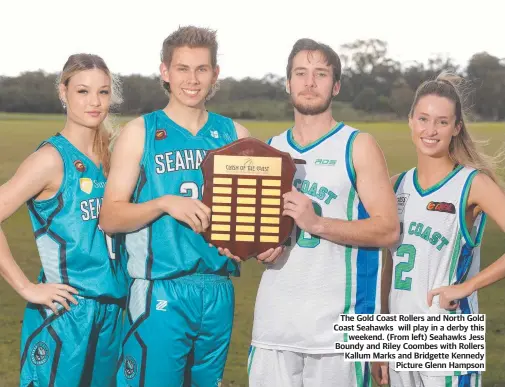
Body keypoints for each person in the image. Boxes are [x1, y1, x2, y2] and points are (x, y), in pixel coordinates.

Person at [99, 26, 279, 387]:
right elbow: (110, 217)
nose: (192, 80)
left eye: (201, 69)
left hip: (217, 289)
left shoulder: (237, 136)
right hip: (161, 288)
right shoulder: (141, 132)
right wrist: (164, 203)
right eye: (182, 69)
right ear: (165, 71)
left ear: (215, 74)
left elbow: (258, 214)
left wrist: (266, 244)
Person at [247, 38, 400, 387]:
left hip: (339, 334)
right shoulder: (270, 149)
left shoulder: (357, 145)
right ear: (288, 83)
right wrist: (261, 248)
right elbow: (265, 232)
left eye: (320, 73)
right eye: (300, 73)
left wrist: (316, 223)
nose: (309, 82)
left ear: (336, 85)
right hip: (274, 327)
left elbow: (388, 229)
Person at [0, 53, 127, 387]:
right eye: (83, 91)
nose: (95, 102)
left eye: (102, 92)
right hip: (67, 311)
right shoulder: (50, 159)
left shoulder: (112, 158)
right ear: (63, 92)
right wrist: (26, 287)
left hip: (113, 311)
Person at [373, 73, 505, 387]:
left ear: (456, 127)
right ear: (410, 121)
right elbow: (386, 266)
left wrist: (468, 286)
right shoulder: (396, 185)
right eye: (423, 119)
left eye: (442, 122)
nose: (430, 131)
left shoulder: (473, 184)